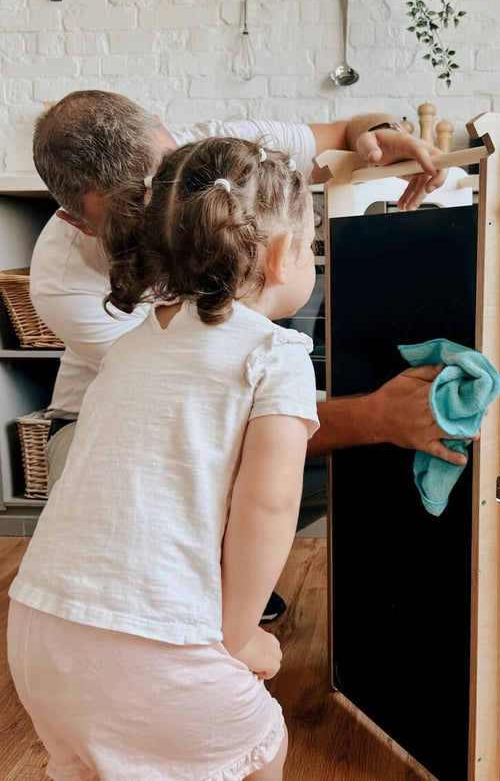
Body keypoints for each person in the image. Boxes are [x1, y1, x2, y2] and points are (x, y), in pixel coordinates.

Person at [29, 91, 467, 620]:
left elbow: (347, 129)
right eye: (128, 214)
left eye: (166, 187)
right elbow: (199, 419)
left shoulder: (214, 154)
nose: (162, 223)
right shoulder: (63, 282)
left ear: (175, 142)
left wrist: (376, 131)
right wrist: (377, 416)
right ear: (77, 222)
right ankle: (182, 585)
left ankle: (215, 574)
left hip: (207, 404)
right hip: (111, 422)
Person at [9, 136, 320, 781]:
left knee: (95, 762)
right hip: (152, 654)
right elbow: (267, 505)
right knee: (263, 741)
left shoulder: (128, 347)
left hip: (40, 634)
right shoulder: (276, 353)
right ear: (283, 253)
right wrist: (238, 636)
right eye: (312, 244)